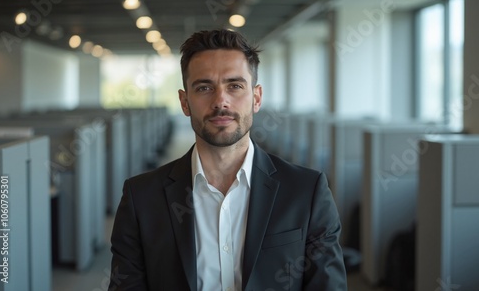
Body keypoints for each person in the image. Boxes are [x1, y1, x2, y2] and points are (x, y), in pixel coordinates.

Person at [109, 29, 347, 291]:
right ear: (184, 101)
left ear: (256, 98)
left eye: (235, 86)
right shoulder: (141, 198)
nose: (220, 101)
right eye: (204, 87)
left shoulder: (306, 191)